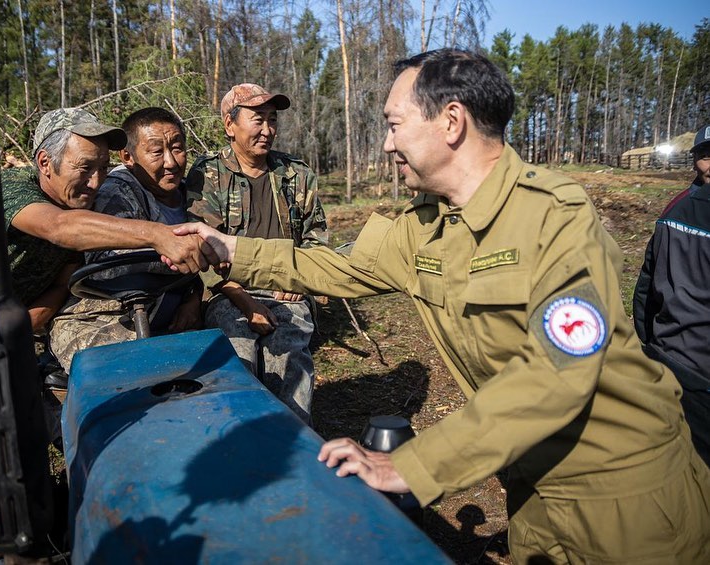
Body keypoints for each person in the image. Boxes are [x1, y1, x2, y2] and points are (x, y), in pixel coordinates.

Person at [176, 50, 710, 563]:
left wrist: (412, 466)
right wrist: (233, 250)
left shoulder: (555, 214)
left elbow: (558, 371)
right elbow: (339, 268)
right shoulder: (425, 224)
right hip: (530, 488)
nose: (387, 145)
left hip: (625, 493)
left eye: (394, 124)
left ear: (451, 121)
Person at [0, 108, 216, 505]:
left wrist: (40, 314)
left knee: (41, 409)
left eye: (102, 168)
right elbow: (61, 230)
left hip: (14, 314)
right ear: (46, 163)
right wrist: (158, 235)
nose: (96, 181)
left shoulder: (87, 198)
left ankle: (92, 490)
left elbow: (68, 274)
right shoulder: (10, 188)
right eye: (85, 168)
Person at [184, 83, 328, 425]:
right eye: (257, 119)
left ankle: (293, 443)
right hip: (229, 293)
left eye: (272, 120)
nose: (267, 130)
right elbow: (201, 252)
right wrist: (247, 303)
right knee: (237, 355)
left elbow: (317, 239)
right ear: (229, 125)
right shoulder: (207, 175)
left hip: (287, 288)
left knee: (288, 350)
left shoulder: (297, 174)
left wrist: (301, 277)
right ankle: (238, 440)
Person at [49, 107, 202, 371]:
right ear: (128, 157)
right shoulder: (117, 190)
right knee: (138, 370)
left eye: (177, 148)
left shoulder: (195, 192)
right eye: (156, 152)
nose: (171, 162)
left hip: (171, 313)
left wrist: (194, 293)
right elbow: (113, 264)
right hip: (104, 316)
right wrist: (183, 264)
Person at [633, 125, 710, 468]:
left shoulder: (675, 210)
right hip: (686, 366)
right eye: (706, 155)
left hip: (674, 357)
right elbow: (648, 283)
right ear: (695, 161)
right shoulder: (674, 212)